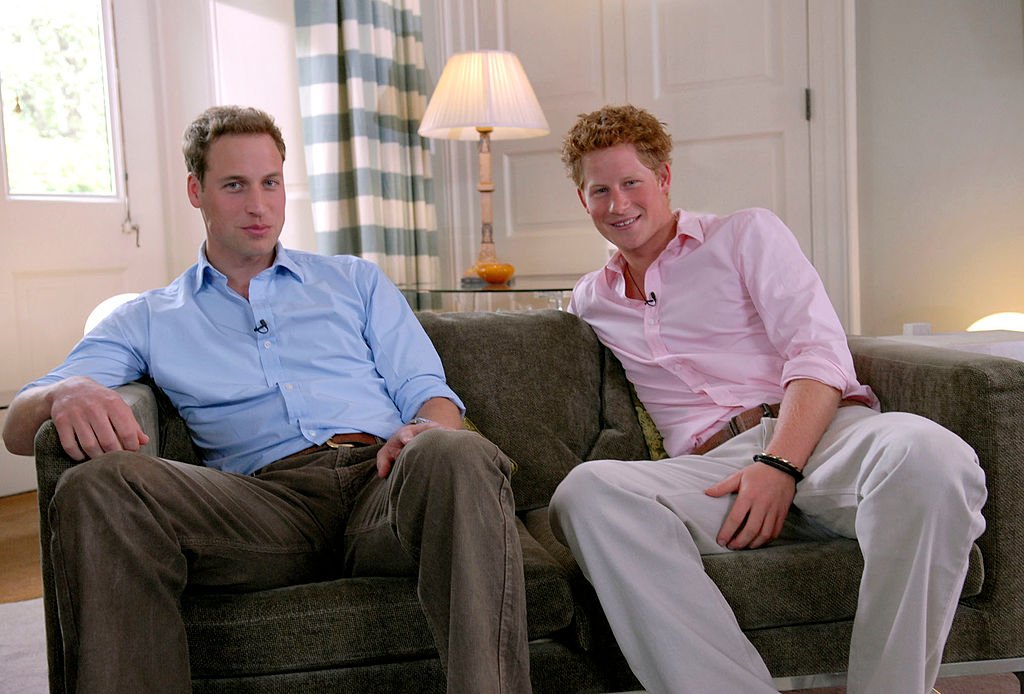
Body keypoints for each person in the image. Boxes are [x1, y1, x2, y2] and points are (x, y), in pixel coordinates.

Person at [2, 105, 530, 694]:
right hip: (264, 507)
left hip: (385, 484)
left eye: (270, 183)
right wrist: (68, 389)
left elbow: (426, 390)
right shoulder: (149, 317)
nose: (258, 205)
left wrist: (431, 428)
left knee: (456, 452)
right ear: (195, 191)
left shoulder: (355, 281)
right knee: (96, 485)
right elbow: (18, 428)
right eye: (235, 185)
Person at [547, 104, 986, 694]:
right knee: (586, 492)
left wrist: (779, 463)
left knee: (933, 455)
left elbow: (819, 353)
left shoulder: (745, 234)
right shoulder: (588, 301)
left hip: (826, 437)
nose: (618, 204)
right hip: (710, 475)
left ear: (664, 178)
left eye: (632, 183)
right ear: (583, 200)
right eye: (601, 190)